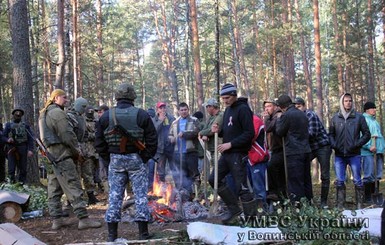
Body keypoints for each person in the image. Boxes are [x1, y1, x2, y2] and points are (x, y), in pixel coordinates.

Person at [94, 83, 157, 242]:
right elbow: (152, 140)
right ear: (132, 97)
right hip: (136, 159)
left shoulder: (106, 116)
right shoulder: (141, 115)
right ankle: (143, 233)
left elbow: (99, 143)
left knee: (114, 196)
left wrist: (109, 159)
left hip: (115, 160)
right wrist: (144, 157)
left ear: (117, 97)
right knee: (141, 195)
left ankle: (112, 235)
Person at [39, 89, 102, 230]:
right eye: (64, 97)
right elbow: (68, 135)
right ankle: (83, 219)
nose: (67, 100)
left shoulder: (43, 114)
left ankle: (57, 220)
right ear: (55, 98)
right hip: (62, 154)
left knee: (54, 189)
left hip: (51, 155)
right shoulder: (57, 113)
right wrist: (76, 151)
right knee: (74, 185)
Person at [208, 83, 256, 225]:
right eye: (223, 98)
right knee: (213, 179)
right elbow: (229, 131)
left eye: (227, 97)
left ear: (234, 95)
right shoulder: (228, 110)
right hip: (227, 153)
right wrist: (218, 131)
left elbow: (249, 133)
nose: (225, 101)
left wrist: (231, 144)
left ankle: (251, 219)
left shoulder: (243, 110)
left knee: (242, 187)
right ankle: (234, 209)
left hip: (238, 154)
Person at [329, 93, 370, 210]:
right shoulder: (335, 118)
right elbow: (330, 134)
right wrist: (334, 145)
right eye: (346, 101)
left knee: (357, 180)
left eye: (350, 101)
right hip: (339, 155)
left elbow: (367, 134)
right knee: (340, 181)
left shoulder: (359, 117)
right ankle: (340, 205)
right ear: (342, 102)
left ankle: (359, 205)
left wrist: (357, 144)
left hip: (354, 154)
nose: (348, 103)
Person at [294, 97, 332, 208]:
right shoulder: (296, 118)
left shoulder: (310, 115)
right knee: (303, 170)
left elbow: (311, 134)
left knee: (325, 175)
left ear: (304, 106)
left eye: (299, 106)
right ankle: (307, 199)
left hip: (322, 146)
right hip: (310, 148)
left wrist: (295, 134)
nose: (297, 109)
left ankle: (323, 201)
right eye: (295, 107)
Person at [275, 95, 312, 202]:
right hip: (306, 150)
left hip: (294, 152)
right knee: (306, 179)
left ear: (282, 107)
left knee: (295, 181)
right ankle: (309, 203)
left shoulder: (286, 115)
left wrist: (278, 119)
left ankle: (298, 206)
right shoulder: (302, 113)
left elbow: (279, 132)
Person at [67, 97, 99, 205]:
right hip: (75, 150)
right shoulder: (69, 116)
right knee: (75, 174)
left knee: (88, 173)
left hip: (86, 150)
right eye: (83, 107)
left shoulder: (82, 118)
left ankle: (91, 196)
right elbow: (69, 135)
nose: (85, 109)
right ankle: (75, 198)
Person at [168, 102, 200, 198]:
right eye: (181, 110)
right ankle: (182, 195)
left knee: (193, 174)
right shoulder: (174, 122)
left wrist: (185, 134)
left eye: (185, 109)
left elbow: (197, 131)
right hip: (178, 153)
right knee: (181, 174)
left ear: (188, 110)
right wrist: (171, 138)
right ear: (178, 111)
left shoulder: (194, 120)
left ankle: (195, 195)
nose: (184, 111)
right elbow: (170, 134)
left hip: (191, 151)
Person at [148, 102, 175, 192]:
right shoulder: (154, 120)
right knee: (161, 171)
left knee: (174, 169)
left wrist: (173, 137)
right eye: (161, 108)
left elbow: (175, 129)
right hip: (160, 150)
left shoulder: (171, 118)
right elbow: (153, 131)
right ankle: (161, 189)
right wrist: (160, 121)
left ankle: (177, 189)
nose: (163, 109)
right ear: (157, 110)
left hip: (171, 149)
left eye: (164, 107)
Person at [360, 102, 384, 204]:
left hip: (378, 152)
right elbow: (361, 136)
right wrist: (369, 146)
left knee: (377, 174)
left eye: (375, 108)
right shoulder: (363, 120)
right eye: (372, 108)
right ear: (367, 110)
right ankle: (368, 197)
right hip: (368, 153)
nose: (374, 110)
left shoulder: (375, 121)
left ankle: (376, 195)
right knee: (369, 174)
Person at [3, 108, 34, 184]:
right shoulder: (8, 125)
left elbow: (30, 138)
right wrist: (7, 140)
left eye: (19, 114)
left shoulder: (25, 126)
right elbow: (3, 136)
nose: (18, 115)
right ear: (13, 115)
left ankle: (22, 184)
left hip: (23, 147)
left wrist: (30, 149)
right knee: (11, 168)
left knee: (23, 168)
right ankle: (11, 184)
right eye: (16, 114)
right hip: (11, 148)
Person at [262, 99, 285, 201]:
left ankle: (274, 193)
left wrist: (266, 118)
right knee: (278, 174)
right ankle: (280, 196)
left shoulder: (278, 115)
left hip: (281, 149)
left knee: (271, 167)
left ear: (275, 107)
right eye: (265, 107)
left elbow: (268, 128)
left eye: (269, 106)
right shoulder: (271, 117)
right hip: (273, 149)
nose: (267, 109)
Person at [199, 98, 223, 177]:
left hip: (219, 149)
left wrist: (201, 133)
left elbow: (212, 130)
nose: (206, 109)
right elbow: (205, 129)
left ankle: (222, 189)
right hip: (212, 148)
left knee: (219, 172)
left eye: (207, 107)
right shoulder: (210, 118)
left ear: (211, 107)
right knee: (215, 171)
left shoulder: (220, 116)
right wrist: (204, 134)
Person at [85, 106, 104, 194]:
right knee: (89, 173)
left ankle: (102, 188)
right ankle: (91, 192)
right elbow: (84, 135)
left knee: (100, 171)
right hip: (88, 151)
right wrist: (95, 135)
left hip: (98, 150)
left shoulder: (97, 121)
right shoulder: (83, 122)